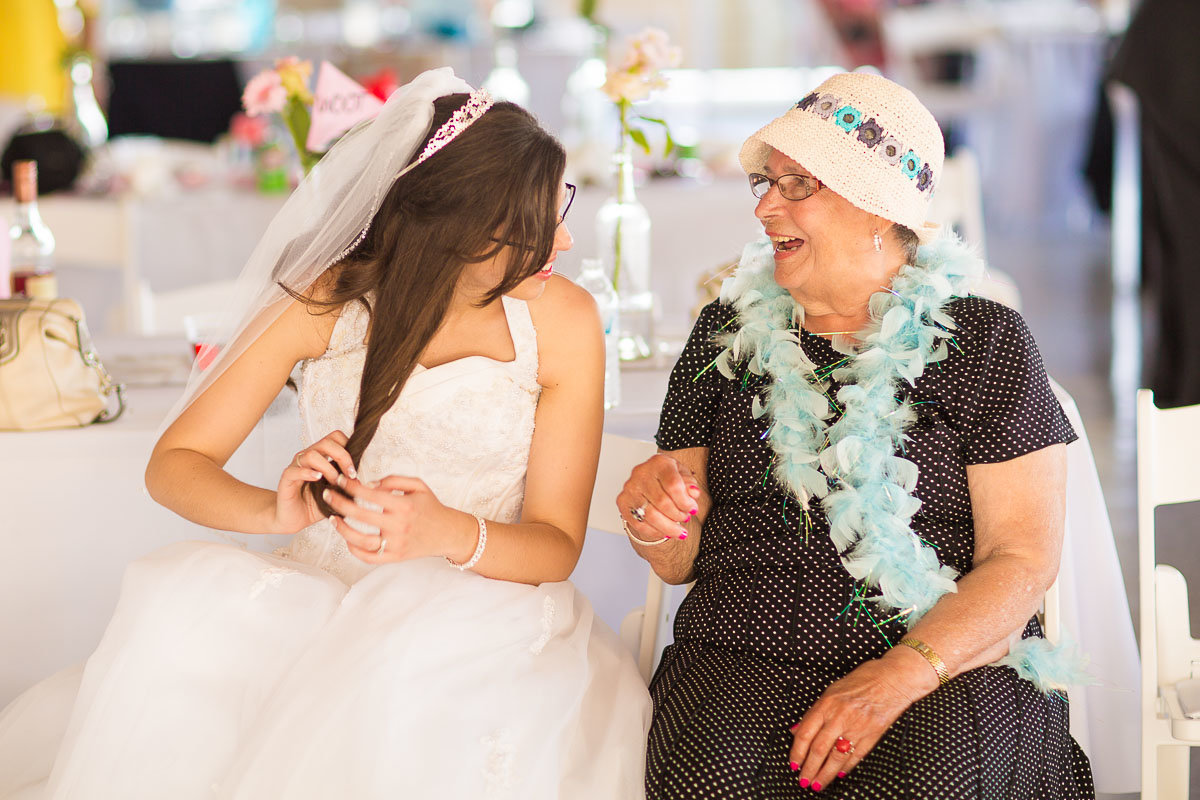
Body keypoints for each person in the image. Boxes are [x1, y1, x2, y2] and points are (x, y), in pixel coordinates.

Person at [0, 68, 650, 799]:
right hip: (314, 597)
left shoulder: (561, 321)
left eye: (560, 205)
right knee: (186, 650)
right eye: (537, 219)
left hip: (483, 617)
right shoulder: (325, 301)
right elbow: (175, 463)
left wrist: (447, 532)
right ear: (460, 228)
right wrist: (274, 510)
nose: (563, 236)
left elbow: (556, 547)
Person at [617, 71, 1095, 799]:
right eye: (764, 182)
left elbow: (1021, 558)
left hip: (941, 661)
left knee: (936, 783)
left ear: (879, 207)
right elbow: (679, 560)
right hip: (743, 653)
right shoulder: (723, 334)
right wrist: (653, 521)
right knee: (708, 780)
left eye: (796, 184)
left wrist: (893, 678)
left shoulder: (984, 340)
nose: (766, 206)